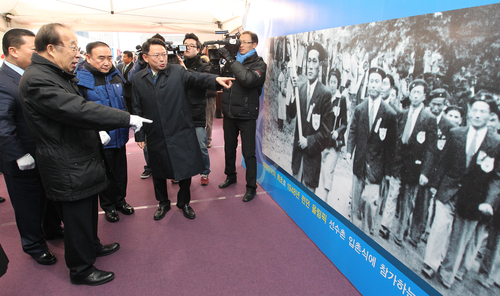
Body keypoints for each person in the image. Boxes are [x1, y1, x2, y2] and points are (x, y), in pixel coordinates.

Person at [18, 23, 151, 286]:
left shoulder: (56, 74)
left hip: (78, 155)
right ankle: (80, 269)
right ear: (51, 49)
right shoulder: (37, 79)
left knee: (88, 210)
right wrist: (126, 118)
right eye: (73, 48)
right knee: (77, 218)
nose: (77, 54)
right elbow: (77, 109)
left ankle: (92, 246)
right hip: (66, 161)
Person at [132, 38, 234, 221]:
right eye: (157, 55)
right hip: (155, 132)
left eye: (164, 54)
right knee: (158, 170)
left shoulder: (178, 71)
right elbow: (136, 107)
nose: (162, 59)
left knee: (185, 168)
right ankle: (163, 203)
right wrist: (139, 134)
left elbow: (197, 77)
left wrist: (216, 79)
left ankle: (184, 202)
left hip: (180, 129)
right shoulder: (138, 79)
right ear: (145, 57)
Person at [421, 93, 500, 289]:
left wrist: (488, 202)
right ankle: (431, 263)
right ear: (469, 111)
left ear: (490, 115)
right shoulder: (456, 134)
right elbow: (443, 163)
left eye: (483, 111)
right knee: (439, 227)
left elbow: (496, 178)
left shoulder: (495, 143)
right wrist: (434, 186)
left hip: (474, 198)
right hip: (448, 191)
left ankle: (447, 272)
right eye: (474, 110)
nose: (477, 115)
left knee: (459, 238)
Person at [0, 28, 64, 266]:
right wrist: (19, 155)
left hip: (43, 152)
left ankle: (51, 229)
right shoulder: (4, 81)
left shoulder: (31, 75)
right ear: (13, 51)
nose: (38, 53)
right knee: (27, 204)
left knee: (46, 196)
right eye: (32, 48)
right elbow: (2, 125)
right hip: (21, 157)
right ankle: (33, 245)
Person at [74, 41, 135, 223]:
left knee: (120, 172)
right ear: (88, 58)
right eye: (101, 58)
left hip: (119, 135)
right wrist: (96, 130)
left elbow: (124, 103)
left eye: (109, 58)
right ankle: (108, 206)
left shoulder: (116, 76)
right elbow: (78, 112)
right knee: (104, 175)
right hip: (98, 139)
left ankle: (120, 200)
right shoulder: (80, 81)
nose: (106, 62)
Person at [378, 79, 437, 246]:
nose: (415, 95)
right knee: (393, 194)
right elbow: (395, 141)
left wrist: (425, 172)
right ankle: (385, 226)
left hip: (415, 166)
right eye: (413, 91)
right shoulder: (402, 114)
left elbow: (431, 149)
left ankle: (400, 232)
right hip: (398, 163)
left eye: (419, 92)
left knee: (407, 201)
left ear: (424, 96)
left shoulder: (429, 119)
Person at [346, 67, 398, 234]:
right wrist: (349, 150)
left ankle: (366, 234)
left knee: (369, 201)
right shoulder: (360, 108)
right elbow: (353, 130)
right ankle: (354, 233)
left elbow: (391, 146)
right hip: (359, 162)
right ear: (368, 84)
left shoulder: (389, 114)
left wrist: (388, 171)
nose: (373, 85)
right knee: (355, 203)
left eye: (377, 81)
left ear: (382, 85)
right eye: (371, 81)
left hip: (376, 167)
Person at [218, 31, 267, 202]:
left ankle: (251, 187)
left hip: (246, 115)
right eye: (240, 41)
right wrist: (228, 58)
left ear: (254, 44)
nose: (241, 45)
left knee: (249, 153)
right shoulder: (233, 59)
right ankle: (230, 176)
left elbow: (247, 80)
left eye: (245, 42)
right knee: (229, 148)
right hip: (229, 113)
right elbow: (221, 76)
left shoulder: (260, 64)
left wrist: (231, 61)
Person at [287, 42, 331, 194]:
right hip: (298, 161)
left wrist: (309, 141)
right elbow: (291, 115)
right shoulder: (300, 88)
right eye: (309, 61)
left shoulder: (325, 94)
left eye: (314, 61)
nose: (310, 65)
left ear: (320, 65)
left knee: (306, 206)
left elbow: (326, 134)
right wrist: (293, 93)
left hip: (311, 164)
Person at [182, 33, 213, 185]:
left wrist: (184, 70)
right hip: (178, 110)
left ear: (199, 49)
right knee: (180, 145)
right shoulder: (175, 64)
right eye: (185, 45)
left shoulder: (204, 65)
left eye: (191, 45)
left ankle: (205, 172)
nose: (187, 48)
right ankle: (181, 171)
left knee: (201, 146)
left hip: (196, 110)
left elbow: (203, 81)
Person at [316, 68, 347, 201]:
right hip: (323, 142)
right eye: (330, 81)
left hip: (334, 144)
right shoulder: (325, 97)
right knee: (323, 171)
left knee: (328, 170)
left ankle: (324, 200)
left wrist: (337, 132)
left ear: (338, 83)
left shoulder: (342, 100)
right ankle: (322, 196)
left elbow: (345, 123)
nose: (332, 84)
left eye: (335, 82)